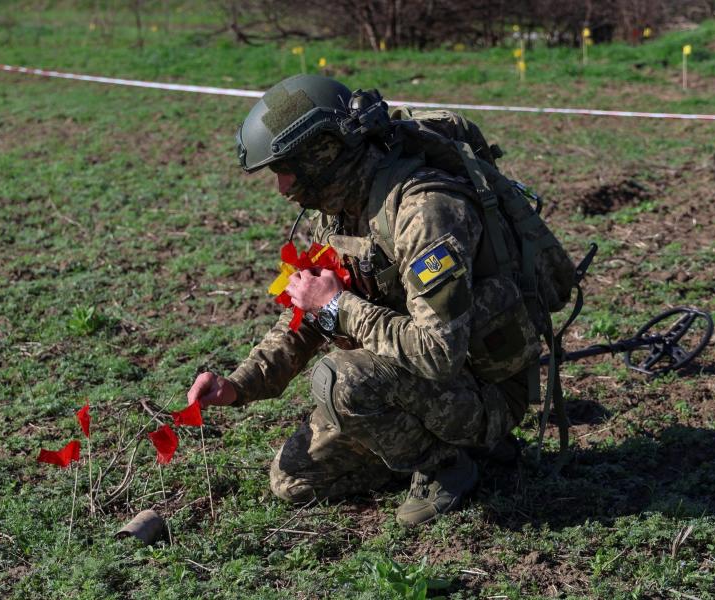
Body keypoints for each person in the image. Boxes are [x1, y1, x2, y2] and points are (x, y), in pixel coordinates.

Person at [186, 74, 539, 526]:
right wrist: (239, 384)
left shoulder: (424, 212)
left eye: (285, 170)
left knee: (340, 379)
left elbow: (439, 354)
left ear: (323, 153)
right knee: (292, 480)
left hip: (478, 389)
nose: (281, 188)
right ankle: (429, 445)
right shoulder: (338, 213)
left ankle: (449, 464)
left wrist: (340, 306)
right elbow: (307, 314)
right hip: (401, 384)